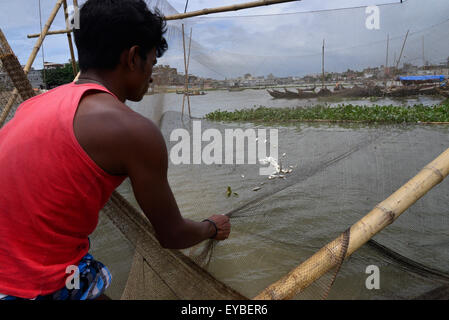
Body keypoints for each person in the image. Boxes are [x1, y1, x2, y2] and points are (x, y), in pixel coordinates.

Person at [0, 0, 230, 300]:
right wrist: (211, 227)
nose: (151, 76)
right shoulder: (133, 131)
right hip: (34, 288)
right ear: (133, 57)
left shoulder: (33, 106)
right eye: (152, 63)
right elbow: (172, 235)